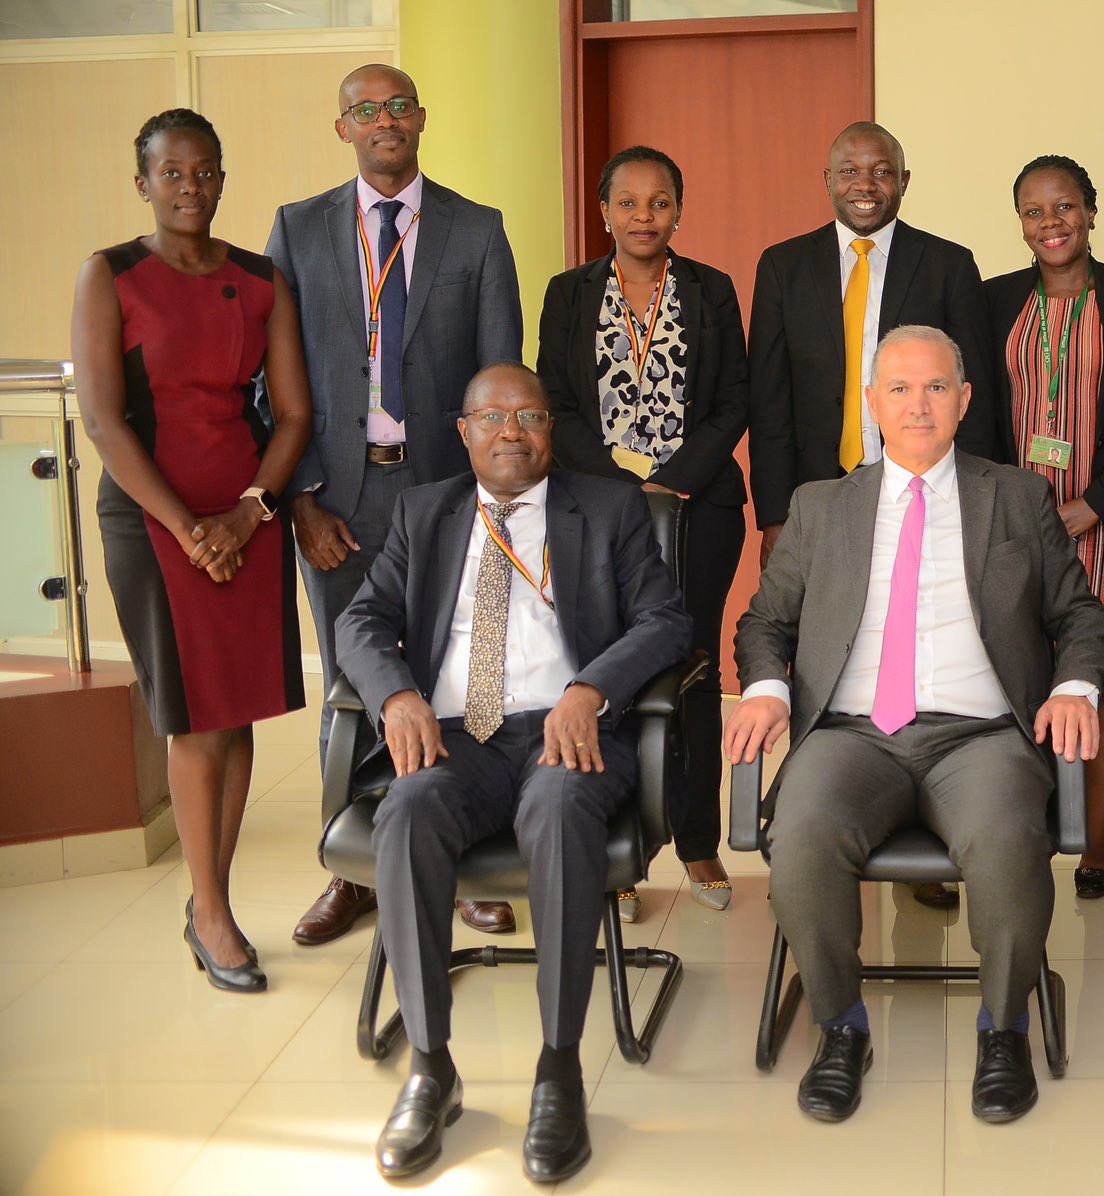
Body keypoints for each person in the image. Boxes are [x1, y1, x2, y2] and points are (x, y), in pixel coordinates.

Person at [724, 326, 1104, 1125]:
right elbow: (765, 621)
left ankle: (1003, 1029)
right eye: (898, 388)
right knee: (798, 833)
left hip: (981, 734)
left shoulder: (1017, 496)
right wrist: (765, 688)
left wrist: (1073, 686)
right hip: (852, 732)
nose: (919, 404)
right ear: (871, 404)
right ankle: (840, 1028)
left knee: (1007, 836)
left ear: (965, 401)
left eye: (937, 387)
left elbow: (1079, 615)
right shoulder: (821, 506)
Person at [339, 363, 689, 1182]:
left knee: (561, 810)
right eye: (492, 417)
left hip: (564, 732)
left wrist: (591, 687)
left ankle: (558, 1068)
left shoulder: (606, 508)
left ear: (550, 430)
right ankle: (431, 1066)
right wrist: (394, 697)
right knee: (409, 811)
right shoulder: (424, 513)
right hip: (455, 733)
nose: (511, 431)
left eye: (529, 414)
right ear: (463, 432)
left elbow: (666, 620)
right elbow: (361, 619)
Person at [265, 63, 523, 945]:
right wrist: (300, 496)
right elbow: (272, 377)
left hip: (448, 494)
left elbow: (500, 387)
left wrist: (489, 507)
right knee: (354, 679)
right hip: (337, 494)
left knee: (457, 673)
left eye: (398, 106)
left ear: (422, 119)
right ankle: (356, 871)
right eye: (365, 110)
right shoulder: (297, 232)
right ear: (343, 128)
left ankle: (454, 864)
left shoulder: (478, 231)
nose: (385, 120)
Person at [73, 108, 314, 994]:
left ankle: (212, 895)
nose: (190, 187)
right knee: (190, 715)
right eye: (171, 173)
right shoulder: (111, 274)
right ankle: (209, 910)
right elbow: (102, 419)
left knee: (237, 711)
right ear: (143, 183)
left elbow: (294, 416)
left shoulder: (259, 280)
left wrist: (248, 517)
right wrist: (187, 530)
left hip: (245, 518)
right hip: (153, 521)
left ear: (222, 178)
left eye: (205, 171)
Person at [747, 119, 998, 909]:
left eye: (880, 170)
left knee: (917, 639)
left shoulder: (949, 264)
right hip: (821, 497)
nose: (865, 182)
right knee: (829, 651)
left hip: (925, 486)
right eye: (850, 169)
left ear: (903, 180)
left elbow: (971, 393)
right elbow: (770, 396)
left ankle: (928, 817)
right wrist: (778, 513)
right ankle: (837, 816)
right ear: (827, 180)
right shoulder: (783, 265)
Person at [539, 145, 748, 916]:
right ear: (603, 212)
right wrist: (623, 488)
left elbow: (734, 401)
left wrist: (671, 482)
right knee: (607, 671)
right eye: (627, 203)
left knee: (691, 670)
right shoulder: (568, 294)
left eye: (659, 202)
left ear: (678, 211)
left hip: (700, 510)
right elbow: (556, 403)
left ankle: (697, 841)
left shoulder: (710, 290)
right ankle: (618, 852)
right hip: (597, 513)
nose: (643, 217)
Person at [983, 154, 1104, 897]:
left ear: (1092, 212)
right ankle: (1023, 827)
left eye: (1064, 207)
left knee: (1103, 674)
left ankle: (1099, 842)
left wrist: (1092, 504)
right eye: (1034, 212)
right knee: (1018, 669)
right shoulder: (994, 300)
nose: (1051, 223)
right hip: (1013, 522)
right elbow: (975, 410)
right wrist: (1013, 508)